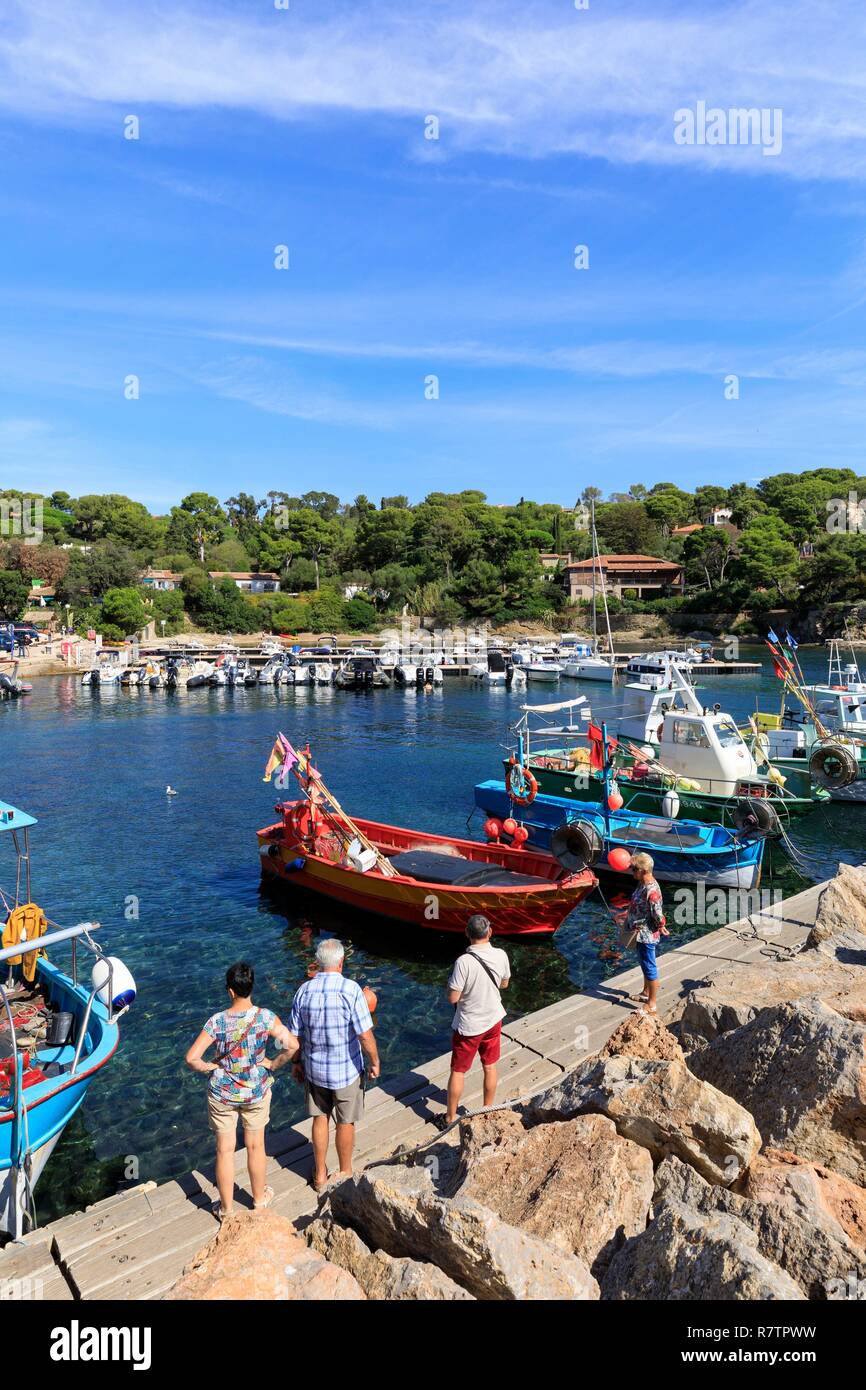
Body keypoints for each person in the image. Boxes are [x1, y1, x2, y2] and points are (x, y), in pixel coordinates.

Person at [185, 960, 297, 1220]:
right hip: (255, 1090)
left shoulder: (217, 1022)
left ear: (231, 991)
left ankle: (226, 1209)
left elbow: (192, 1058)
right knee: (256, 1146)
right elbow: (291, 1046)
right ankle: (259, 1200)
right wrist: (272, 1064)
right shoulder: (266, 1018)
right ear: (250, 988)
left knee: (224, 1150)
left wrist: (211, 1068)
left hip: (223, 1093)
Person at [288, 938, 379, 1193]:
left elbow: (293, 1037)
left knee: (319, 1119)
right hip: (346, 1071)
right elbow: (364, 1035)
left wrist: (296, 1063)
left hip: (315, 1070)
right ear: (341, 962)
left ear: (318, 963)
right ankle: (345, 1171)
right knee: (345, 1122)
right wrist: (375, 1061)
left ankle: (319, 1176)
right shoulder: (351, 990)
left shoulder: (303, 991)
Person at [439, 915, 510, 1129]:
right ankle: (487, 1109)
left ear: (467, 934)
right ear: (490, 932)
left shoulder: (463, 962)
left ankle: (450, 1117)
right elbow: (504, 984)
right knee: (490, 1065)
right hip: (494, 1019)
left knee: (458, 1071)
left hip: (469, 1026)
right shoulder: (501, 954)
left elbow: (453, 997)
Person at [620, 852, 669, 1015]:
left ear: (643, 870)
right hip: (639, 931)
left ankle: (652, 1004)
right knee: (643, 963)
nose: (631, 871)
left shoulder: (651, 889)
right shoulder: (642, 883)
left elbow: (657, 912)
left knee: (649, 966)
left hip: (646, 934)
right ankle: (646, 992)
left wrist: (661, 926)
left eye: (634, 869)